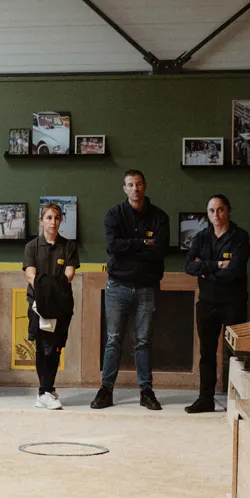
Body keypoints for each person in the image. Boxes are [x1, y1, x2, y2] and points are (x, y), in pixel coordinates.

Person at [93, 169, 167, 411]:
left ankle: (146, 391)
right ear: (124, 188)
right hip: (117, 286)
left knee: (143, 341)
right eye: (130, 185)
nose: (135, 188)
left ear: (145, 186)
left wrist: (131, 246)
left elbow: (159, 250)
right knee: (113, 340)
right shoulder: (113, 215)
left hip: (147, 288)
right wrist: (143, 243)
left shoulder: (159, 217)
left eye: (138, 184)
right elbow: (113, 246)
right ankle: (106, 391)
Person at [183, 194, 250, 414]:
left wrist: (205, 269)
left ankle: (238, 403)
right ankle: (205, 399)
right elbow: (189, 266)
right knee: (207, 353)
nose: (216, 215)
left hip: (233, 303)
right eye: (211, 211)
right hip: (207, 303)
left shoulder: (240, 237)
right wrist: (218, 265)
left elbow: (234, 272)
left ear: (228, 210)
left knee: (237, 355)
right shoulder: (201, 237)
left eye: (220, 209)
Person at [23, 202, 78, 410]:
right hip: (38, 304)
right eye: (48, 218)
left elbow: (69, 274)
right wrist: (45, 289)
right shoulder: (32, 247)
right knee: (41, 347)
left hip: (61, 305)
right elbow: (30, 274)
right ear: (41, 220)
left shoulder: (68, 246)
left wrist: (52, 289)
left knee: (55, 347)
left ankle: (48, 389)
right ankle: (43, 392)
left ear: (60, 220)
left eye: (56, 218)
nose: (52, 222)